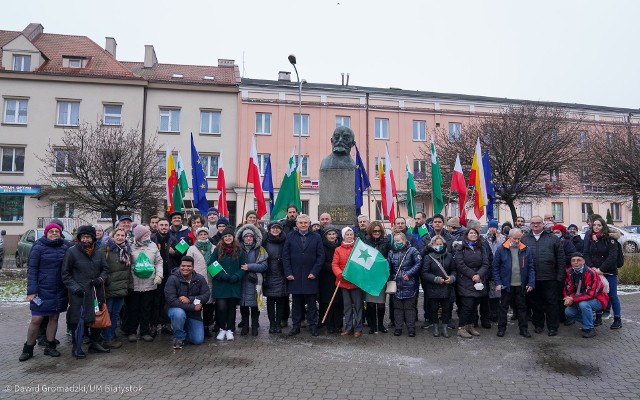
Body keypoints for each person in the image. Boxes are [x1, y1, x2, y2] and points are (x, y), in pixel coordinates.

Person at [19, 223, 69, 361]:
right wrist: (32, 290)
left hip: (59, 289)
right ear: (46, 233)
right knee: (37, 319)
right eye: (51, 231)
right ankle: (28, 348)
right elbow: (32, 270)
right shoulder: (38, 246)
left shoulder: (65, 247)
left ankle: (50, 346)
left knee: (54, 317)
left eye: (56, 231)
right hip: (41, 290)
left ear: (60, 233)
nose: (54, 233)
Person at [61, 225, 110, 359]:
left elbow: (105, 269)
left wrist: (101, 279)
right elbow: (65, 273)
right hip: (79, 293)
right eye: (83, 237)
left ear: (93, 238)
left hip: (95, 291)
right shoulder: (72, 252)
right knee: (78, 320)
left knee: (96, 317)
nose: (85, 239)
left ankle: (94, 343)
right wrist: (74, 287)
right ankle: (76, 347)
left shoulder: (99, 252)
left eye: (88, 237)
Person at [522, 215, 565, 336]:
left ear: (543, 224)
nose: (535, 225)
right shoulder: (525, 239)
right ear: (530, 225)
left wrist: (560, 276)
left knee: (551, 303)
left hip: (549, 277)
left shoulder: (553, 238)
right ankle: (538, 325)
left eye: (538, 223)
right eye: (533, 223)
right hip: (532, 279)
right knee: (536, 304)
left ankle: (552, 327)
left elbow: (561, 258)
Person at [283, 214, 324, 337]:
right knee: (296, 303)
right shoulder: (290, 236)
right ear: (297, 224)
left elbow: (320, 256)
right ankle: (295, 326)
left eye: (305, 223)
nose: (303, 225)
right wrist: (288, 272)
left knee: (311, 304)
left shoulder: (316, 237)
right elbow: (285, 256)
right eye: (301, 223)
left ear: (309, 224)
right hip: (294, 276)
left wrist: (314, 272)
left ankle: (313, 326)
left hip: (310, 275)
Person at [492, 228, 535, 338]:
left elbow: (531, 268)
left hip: (521, 284)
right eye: (515, 238)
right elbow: (495, 267)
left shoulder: (526, 249)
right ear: (509, 237)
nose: (517, 241)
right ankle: (501, 328)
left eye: (519, 238)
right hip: (506, 285)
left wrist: (531, 283)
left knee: (522, 308)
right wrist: (498, 282)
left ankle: (523, 329)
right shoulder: (501, 249)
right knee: (503, 307)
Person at [125, 225, 163, 343]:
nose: (148, 236)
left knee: (146, 309)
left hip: (149, 283)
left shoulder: (152, 246)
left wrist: (159, 276)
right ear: (139, 236)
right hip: (134, 283)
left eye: (148, 235)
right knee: (133, 309)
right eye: (145, 235)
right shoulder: (130, 247)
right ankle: (132, 332)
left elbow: (159, 262)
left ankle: (144, 332)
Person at [164, 256, 211, 349]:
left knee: (198, 340)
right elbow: (172, 300)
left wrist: (190, 299)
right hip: (176, 310)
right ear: (180, 266)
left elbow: (206, 295)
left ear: (193, 267)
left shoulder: (200, 278)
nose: (185, 268)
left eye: (188, 266)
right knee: (179, 314)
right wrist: (193, 307)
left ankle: (183, 328)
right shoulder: (172, 279)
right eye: (183, 266)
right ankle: (179, 337)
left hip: (194, 314)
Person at [584, 217, 622, 330]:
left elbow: (612, 257)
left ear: (603, 227)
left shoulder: (610, 239)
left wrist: (601, 269)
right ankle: (598, 317)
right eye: (594, 225)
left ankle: (617, 319)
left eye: (599, 225)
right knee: (597, 295)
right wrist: (592, 267)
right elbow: (586, 254)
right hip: (595, 272)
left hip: (609, 272)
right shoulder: (591, 238)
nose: (596, 227)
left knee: (613, 295)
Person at [211, 226, 245, 341]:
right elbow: (211, 265)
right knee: (221, 308)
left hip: (234, 284)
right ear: (222, 238)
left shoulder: (239, 251)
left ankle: (230, 329)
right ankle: (222, 328)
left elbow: (243, 267)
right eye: (225, 236)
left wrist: (237, 276)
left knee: (231, 308)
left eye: (230, 236)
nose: (227, 238)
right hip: (221, 284)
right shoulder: (217, 250)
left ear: (233, 237)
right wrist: (221, 276)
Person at [99, 228, 132, 349]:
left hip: (122, 288)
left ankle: (111, 335)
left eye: (122, 235)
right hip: (109, 288)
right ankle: (107, 338)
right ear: (112, 236)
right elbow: (100, 268)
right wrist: (106, 281)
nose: (120, 237)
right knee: (108, 313)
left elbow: (129, 270)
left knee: (115, 314)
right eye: (117, 235)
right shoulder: (105, 249)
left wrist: (129, 286)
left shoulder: (127, 250)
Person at [563, 252, 609, 338]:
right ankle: (588, 322)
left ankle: (589, 328)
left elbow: (590, 294)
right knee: (568, 311)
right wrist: (567, 297)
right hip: (579, 298)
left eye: (578, 260)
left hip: (598, 299)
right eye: (573, 260)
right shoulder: (569, 272)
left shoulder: (591, 273)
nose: (576, 262)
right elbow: (567, 288)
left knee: (583, 304)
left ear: (583, 261)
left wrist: (573, 299)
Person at [454, 227, 489, 338]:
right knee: (467, 306)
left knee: (474, 305)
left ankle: (470, 326)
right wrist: (472, 275)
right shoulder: (461, 247)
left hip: (478, 279)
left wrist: (479, 274)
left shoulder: (481, 247)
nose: (473, 235)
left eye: (475, 233)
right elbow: (459, 264)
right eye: (471, 233)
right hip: (465, 280)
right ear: (467, 235)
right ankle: (461, 327)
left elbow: (485, 263)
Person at [421, 235, 456, 338]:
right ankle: (435, 327)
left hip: (446, 287)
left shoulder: (449, 256)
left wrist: (452, 278)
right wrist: (435, 279)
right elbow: (424, 273)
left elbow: (454, 269)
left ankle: (445, 328)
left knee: (446, 309)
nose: (439, 246)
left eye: (440, 244)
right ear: (432, 245)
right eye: (436, 244)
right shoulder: (428, 257)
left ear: (444, 245)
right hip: (433, 287)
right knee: (433, 308)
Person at [236, 224, 268, 336]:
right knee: (243, 306)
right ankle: (245, 327)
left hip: (255, 282)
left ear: (254, 237)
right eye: (246, 236)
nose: (248, 238)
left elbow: (264, 266)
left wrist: (249, 267)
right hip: (241, 281)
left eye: (250, 236)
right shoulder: (237, 249)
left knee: (255, 306)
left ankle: (255, 327)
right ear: (242, 238)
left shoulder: (261, 250)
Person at [388, 232, 422, 337]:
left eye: (399, 240)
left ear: (404, 240)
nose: (397, 243)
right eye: (395, 241)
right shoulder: (391, 252)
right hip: (396, 284)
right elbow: (387, 266)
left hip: (410, 284)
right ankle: (398, 328)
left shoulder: (412, 251)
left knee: (409, 308)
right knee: (397, 309)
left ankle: (411, 328)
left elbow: (418, 263)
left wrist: (409, 273)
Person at [331, 227, 363, 337]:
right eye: (347, 234)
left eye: (351, 234)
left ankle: (358, 328)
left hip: (356, 282)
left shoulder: (359, 248)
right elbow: (335, 264)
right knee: (347, 306)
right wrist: (340, 274)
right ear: (343, 236)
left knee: (358, 306)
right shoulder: (338, 250)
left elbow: (361, 264)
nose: (349, 236)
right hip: (343, 282)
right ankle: (348, 327)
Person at [185, 227, 215, 338]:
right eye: (201, 234)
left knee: (209, 304)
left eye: (205, 234)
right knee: (197, 303)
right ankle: (196, 325)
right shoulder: (192, 249)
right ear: (197, 236)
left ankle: (206, 326)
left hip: (210, 280)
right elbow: (188, 263)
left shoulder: (213, 248)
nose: (203, 236)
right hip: (196, 280)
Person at [363, 221, 390, 334]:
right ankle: (373, 326)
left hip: (381, 276)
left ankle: (381, 325)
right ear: (370, 231)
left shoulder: (386, 242)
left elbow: (389, 256)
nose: (377, 233)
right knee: (370, 303)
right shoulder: (365, 242)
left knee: (381, 303)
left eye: (379, 231)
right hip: (369, 276)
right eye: (374, 231)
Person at [262, 221, 288, 334]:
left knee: (281, 300)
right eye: (273, 228)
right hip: (269, 273)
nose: (275, 230)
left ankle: (278, 324)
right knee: (271, 301)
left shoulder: (285, 240)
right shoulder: (265, 241)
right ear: (269, 229)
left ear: (281, 230)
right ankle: (272, 324)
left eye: (278, 228)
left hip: (282, 273)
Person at [150, 217, 173, 335]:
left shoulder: (174, 239)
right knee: (155, 300)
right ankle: (153, 324)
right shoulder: (151, 239)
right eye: (161, 225)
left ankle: (166, 324)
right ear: (157, 226)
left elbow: (182, 255)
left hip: (169, 275)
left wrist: (176, 252)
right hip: (155, 275)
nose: (164, 227)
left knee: (167, 301)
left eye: (166, 225)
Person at [319, 225, 343, 334]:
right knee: (328, 301)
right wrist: (334, 267)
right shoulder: (322, 246)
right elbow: (321, 262)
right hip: (327, 277)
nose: (332, 236)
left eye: (333, 234)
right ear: (325, 236)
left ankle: (338, 324)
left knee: (338, 302)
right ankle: (329, 325)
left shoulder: (341, 246)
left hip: (339, 277)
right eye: (329, 234)